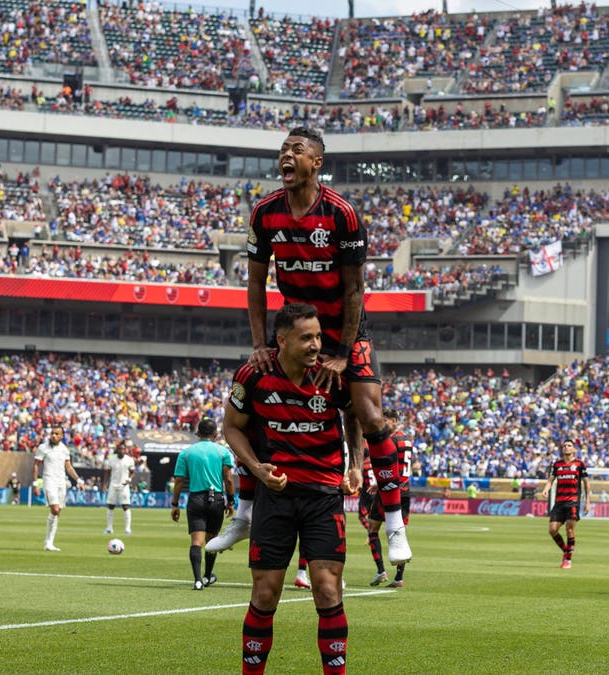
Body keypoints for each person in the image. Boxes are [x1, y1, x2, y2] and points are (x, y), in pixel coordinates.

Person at [223, 126, 410, 567]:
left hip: (345, 330)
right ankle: (245, 514)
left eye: (297, 149)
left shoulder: (342, 214)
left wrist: (343, 352)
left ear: (316, 162)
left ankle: (396, 523)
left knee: (368, 414)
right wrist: (258, 344)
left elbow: (354, 290)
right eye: (284, 149)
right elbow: (254, 283)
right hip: (293, 327)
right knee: (255, 409)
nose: (287, 155)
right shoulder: (265, 212)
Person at [222, 303, 361, 675]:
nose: (316, 345)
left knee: (328, 590)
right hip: (276, 497)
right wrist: (257, 469)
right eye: (307, 338)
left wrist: (356, 464)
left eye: (318, 336)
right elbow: (231, 427)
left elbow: (355, 414)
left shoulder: (332, 377)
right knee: (265, 593)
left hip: (324, 496)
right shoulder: (253, 375)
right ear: (281, 341)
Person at [171, 418, 235, 590]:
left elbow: (178, 481)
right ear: (215, 433)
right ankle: (207, 576)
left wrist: (175, 504)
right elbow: (228, 479)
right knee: (211, 541)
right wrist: (231, 501)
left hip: (196, 499)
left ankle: (198, 580)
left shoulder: (186, 453)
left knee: (196, 542)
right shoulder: (223, 452)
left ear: (198, 433)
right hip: (217, 499)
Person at [361, 408, 413, 588]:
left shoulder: (391, 440)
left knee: (373, 529)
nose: (382, 424)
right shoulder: (406, 439)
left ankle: (381, 570)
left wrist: (381, 482)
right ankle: (397, 577)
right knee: (396, 531)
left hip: (391, 490)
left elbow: (390, 465)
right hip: (403, 489)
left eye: (385, 420)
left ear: (394, 421)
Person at [542, 439, 591, 569]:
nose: (566, 447)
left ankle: (568, 560)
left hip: (573, 502)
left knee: (570, 529)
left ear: (574, 449)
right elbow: (550, 480)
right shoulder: (557, 465)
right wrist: (546, 489)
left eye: (569, 446)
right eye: (564, 446)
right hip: (559, 502)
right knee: (552, 530)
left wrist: (587, 502)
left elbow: (586, 483)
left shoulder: (580, 464)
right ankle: (566, 550)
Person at [33, 427, 81, 552]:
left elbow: (69, 467)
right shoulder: (43, 448)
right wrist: (35, 484)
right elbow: (36, 465)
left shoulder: (64, 449)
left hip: (61, 482)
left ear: (62, 436)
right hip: (49, 481)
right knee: (54, 509)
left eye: (56, 433)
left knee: (57, 511)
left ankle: (49, 542)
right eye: (52, 433)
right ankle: (48, 542)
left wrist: (78, 480)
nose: (53, 435)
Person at [103, 441, 136, 535]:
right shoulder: (111, 459)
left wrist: (129, 479)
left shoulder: (129, 460)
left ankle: (127, 529)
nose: (121, 450)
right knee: (110, 506)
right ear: (117, 450)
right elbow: (107, 472)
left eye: (123, 449)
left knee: (125, 506)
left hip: (124, 486)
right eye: (120, 449)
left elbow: (133, 472)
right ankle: (109, 528)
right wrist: (105, 484)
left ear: (125, 450)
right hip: (113, 484)